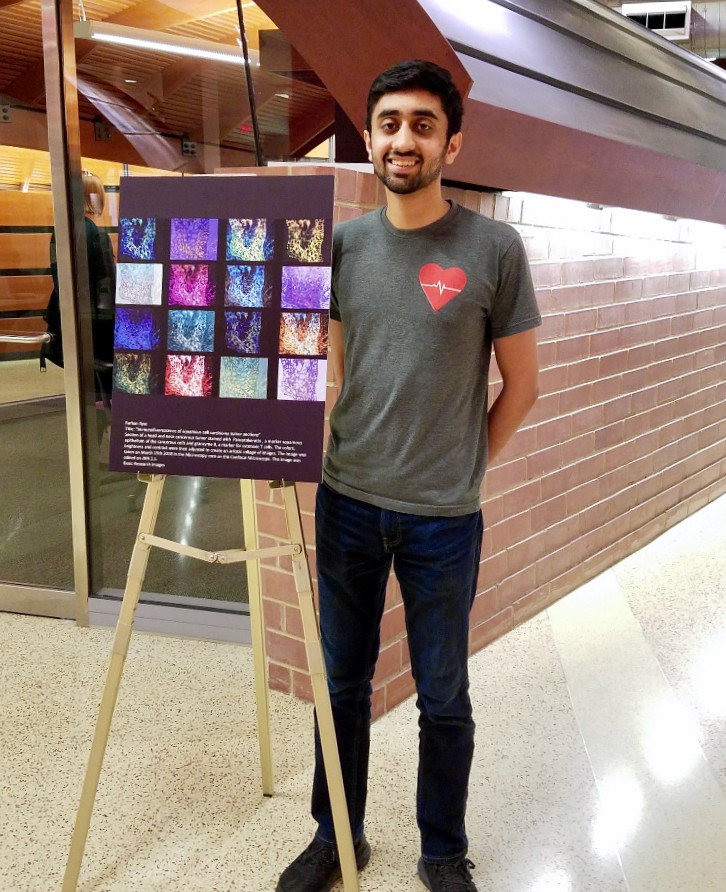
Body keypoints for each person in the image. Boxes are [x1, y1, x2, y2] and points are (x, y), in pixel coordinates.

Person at [277, 59, 541, 892]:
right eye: (389, 122)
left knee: (444, 698)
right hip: (348, 502)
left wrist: (463, 468)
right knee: (342, 683)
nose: (404, 139)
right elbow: (340, 367)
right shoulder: (344, 246)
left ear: (450, 142)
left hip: (442, 520)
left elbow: (523, 384)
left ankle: (440, 851)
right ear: (368, 135)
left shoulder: (493, 247)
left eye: (423, 125)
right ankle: (334, 835)